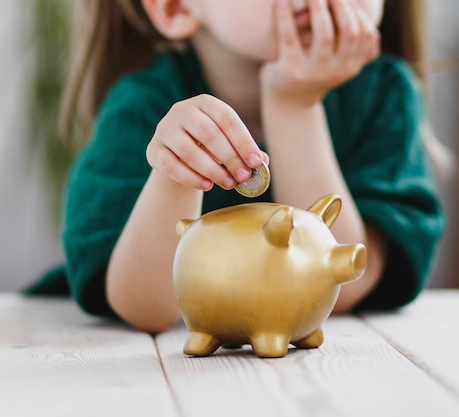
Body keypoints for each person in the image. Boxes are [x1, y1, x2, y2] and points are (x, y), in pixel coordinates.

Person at [26, 0, 448, 334]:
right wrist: (176, 175)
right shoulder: (141, 106)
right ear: (175, 7)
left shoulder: (385, 93)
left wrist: (294, 104)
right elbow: (144, 309)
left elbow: (345, 283)